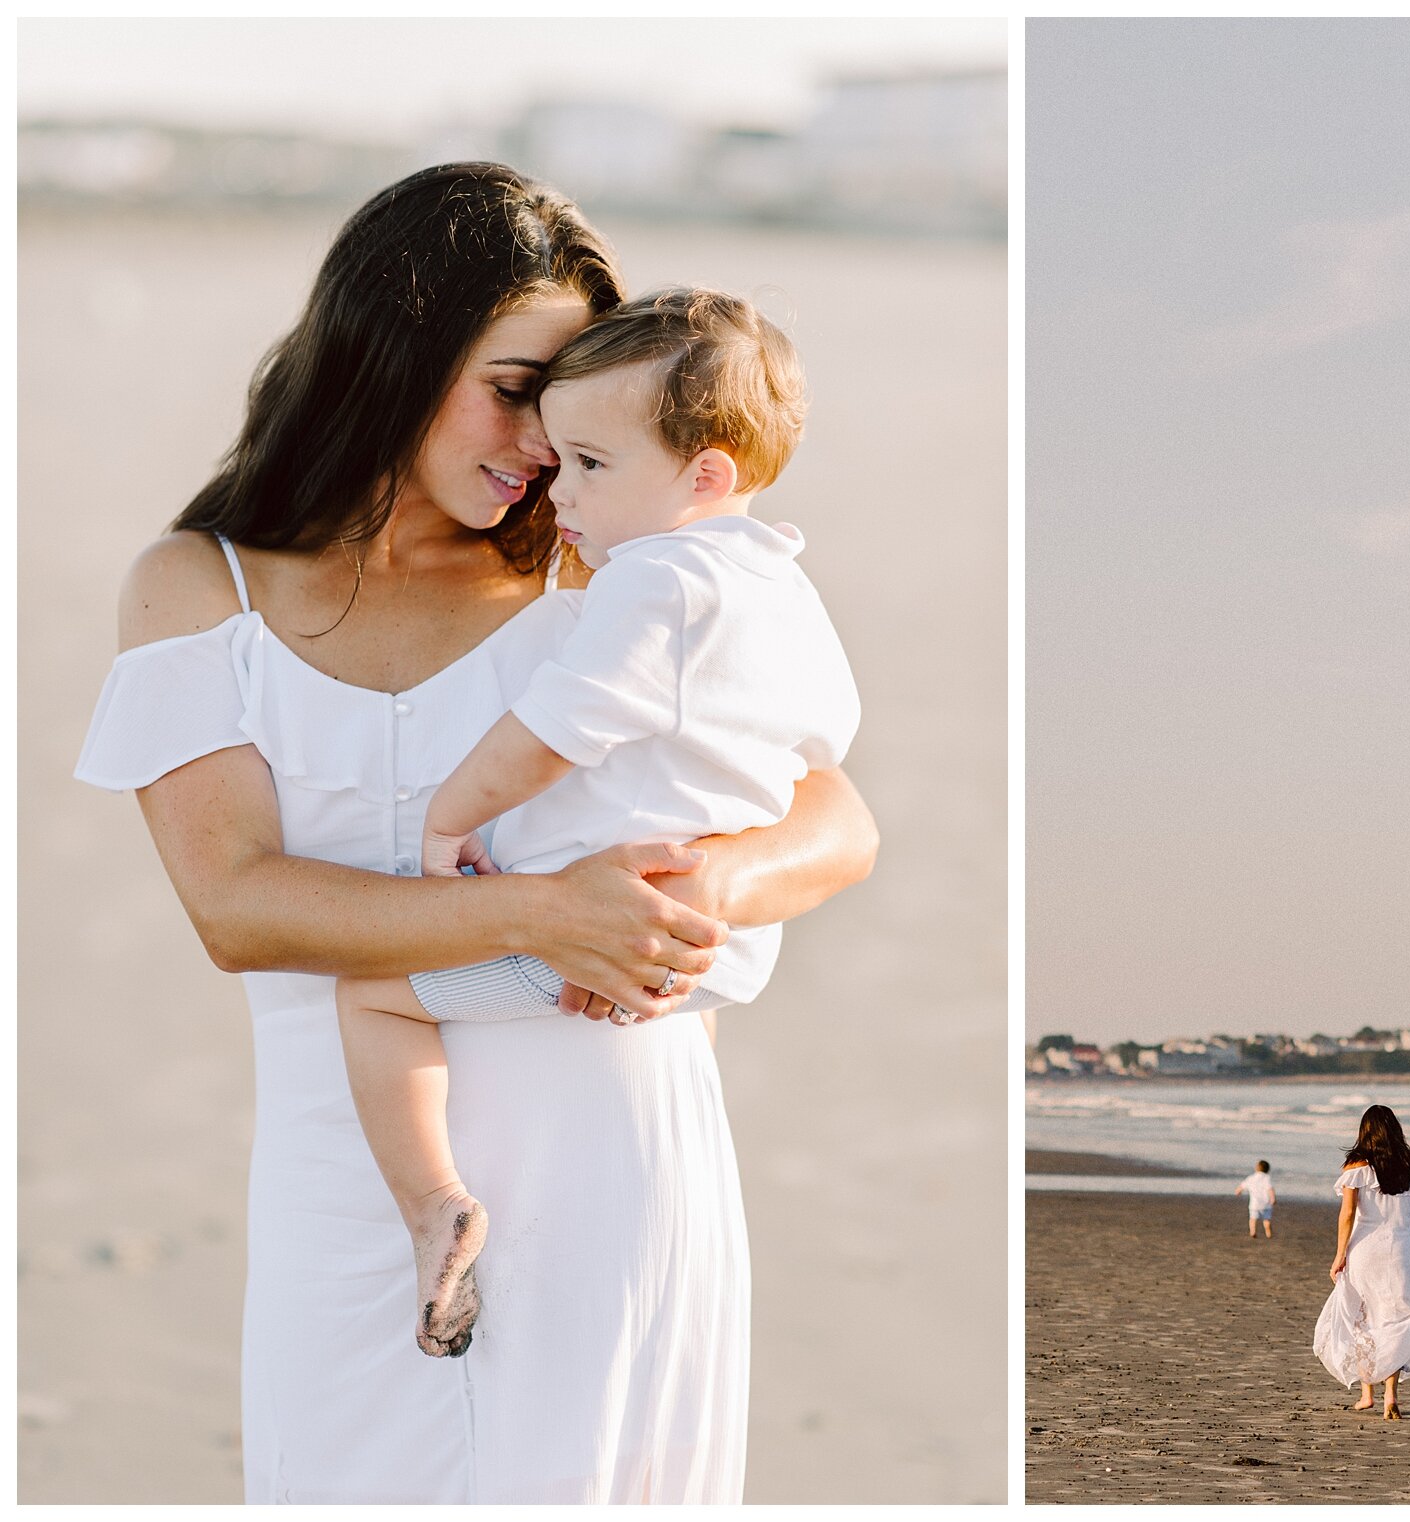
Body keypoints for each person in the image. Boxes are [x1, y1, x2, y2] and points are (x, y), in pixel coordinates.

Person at [73, 164, 878, 1503]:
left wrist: (702, 884)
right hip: (363, 1176)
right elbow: (238, 904)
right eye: (513, 385)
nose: (545, 445)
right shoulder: (196, 589)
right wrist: (542, 912)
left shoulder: (602, 569)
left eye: (570, 408)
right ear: (393, 345)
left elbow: (835, 813)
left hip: (623, 1150)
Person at [335, 287, 859, 1359]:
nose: (556, 485)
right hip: (711, 952)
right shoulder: (785, 591)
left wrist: (453, 815)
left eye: (589, 464)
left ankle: (436, 1203)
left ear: (705, 476)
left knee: (371, 995)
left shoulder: (659, 583)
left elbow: (556, 729)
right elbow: (826, 750)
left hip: (588, 932)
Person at [1312, 1105, 1410, 1419]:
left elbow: (1347, 1214)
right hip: (1399, 1250)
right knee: (1393, 1319)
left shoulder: (1356, 1166)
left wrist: (1339, 1254)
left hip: (1364, 1249)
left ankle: (1366, 1393)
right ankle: (1391, 1397)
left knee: (1363, 1317)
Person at [1234, 1159, 1276, 1239]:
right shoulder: (1266, 1178)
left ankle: (1253, 1232)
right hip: (1266, 1204)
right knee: (1266, 1220)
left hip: (1254, 1204)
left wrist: (1238, 1191)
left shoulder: (1251, 1178)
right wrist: (1273, 1199)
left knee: (1253, 1219)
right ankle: (1268, 1233)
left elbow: (1242, 1186)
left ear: (1256, 1168)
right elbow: (1270, 1189)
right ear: (1267, 1170)